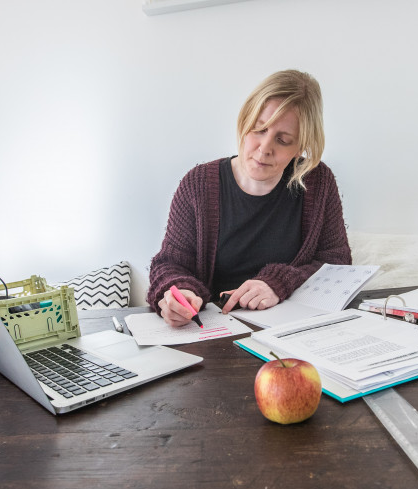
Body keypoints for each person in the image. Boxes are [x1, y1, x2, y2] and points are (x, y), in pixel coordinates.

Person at [147, 70, 351, 327]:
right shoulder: (198, 184)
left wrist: (279, 282)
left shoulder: (318, 182)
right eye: (259, 129)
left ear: (301, 146)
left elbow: (338, 266)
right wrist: (181, 293)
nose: (265, 148)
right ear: (245, 121)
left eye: (283, 140)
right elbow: (170, 264)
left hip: (293, 332)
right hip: (212, 333)